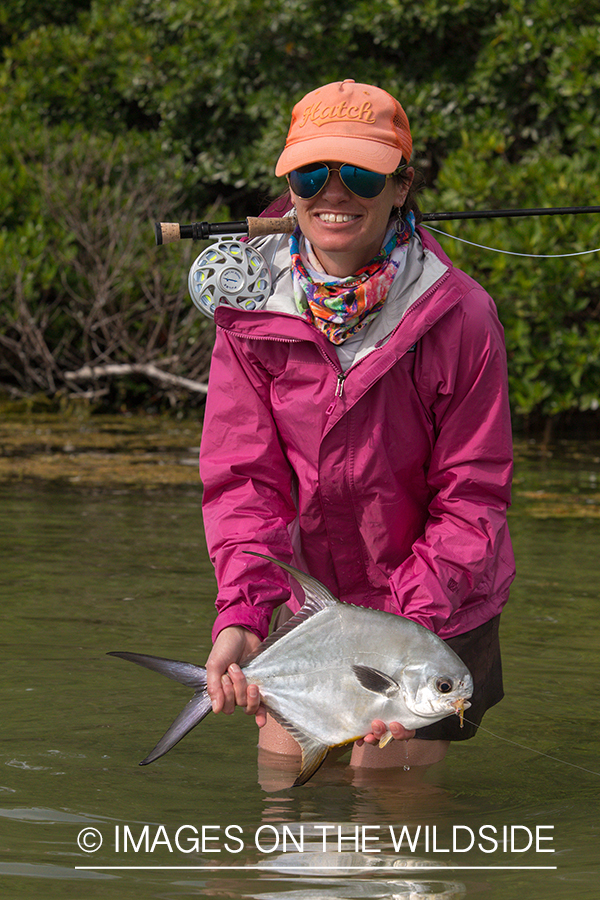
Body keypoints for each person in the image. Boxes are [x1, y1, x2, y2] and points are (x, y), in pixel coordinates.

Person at [200, 79, 515, 769]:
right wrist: (244, 616)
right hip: (317, 608)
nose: (333, 194)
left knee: (389, 791)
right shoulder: (250, 313)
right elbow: (243, 480)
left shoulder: (462, 317)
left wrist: (395, 639)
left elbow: (471, 498)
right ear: (289, 186)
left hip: (433, 616)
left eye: (362, 174)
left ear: (401, 186)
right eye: (312, 173)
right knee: (281, 780)